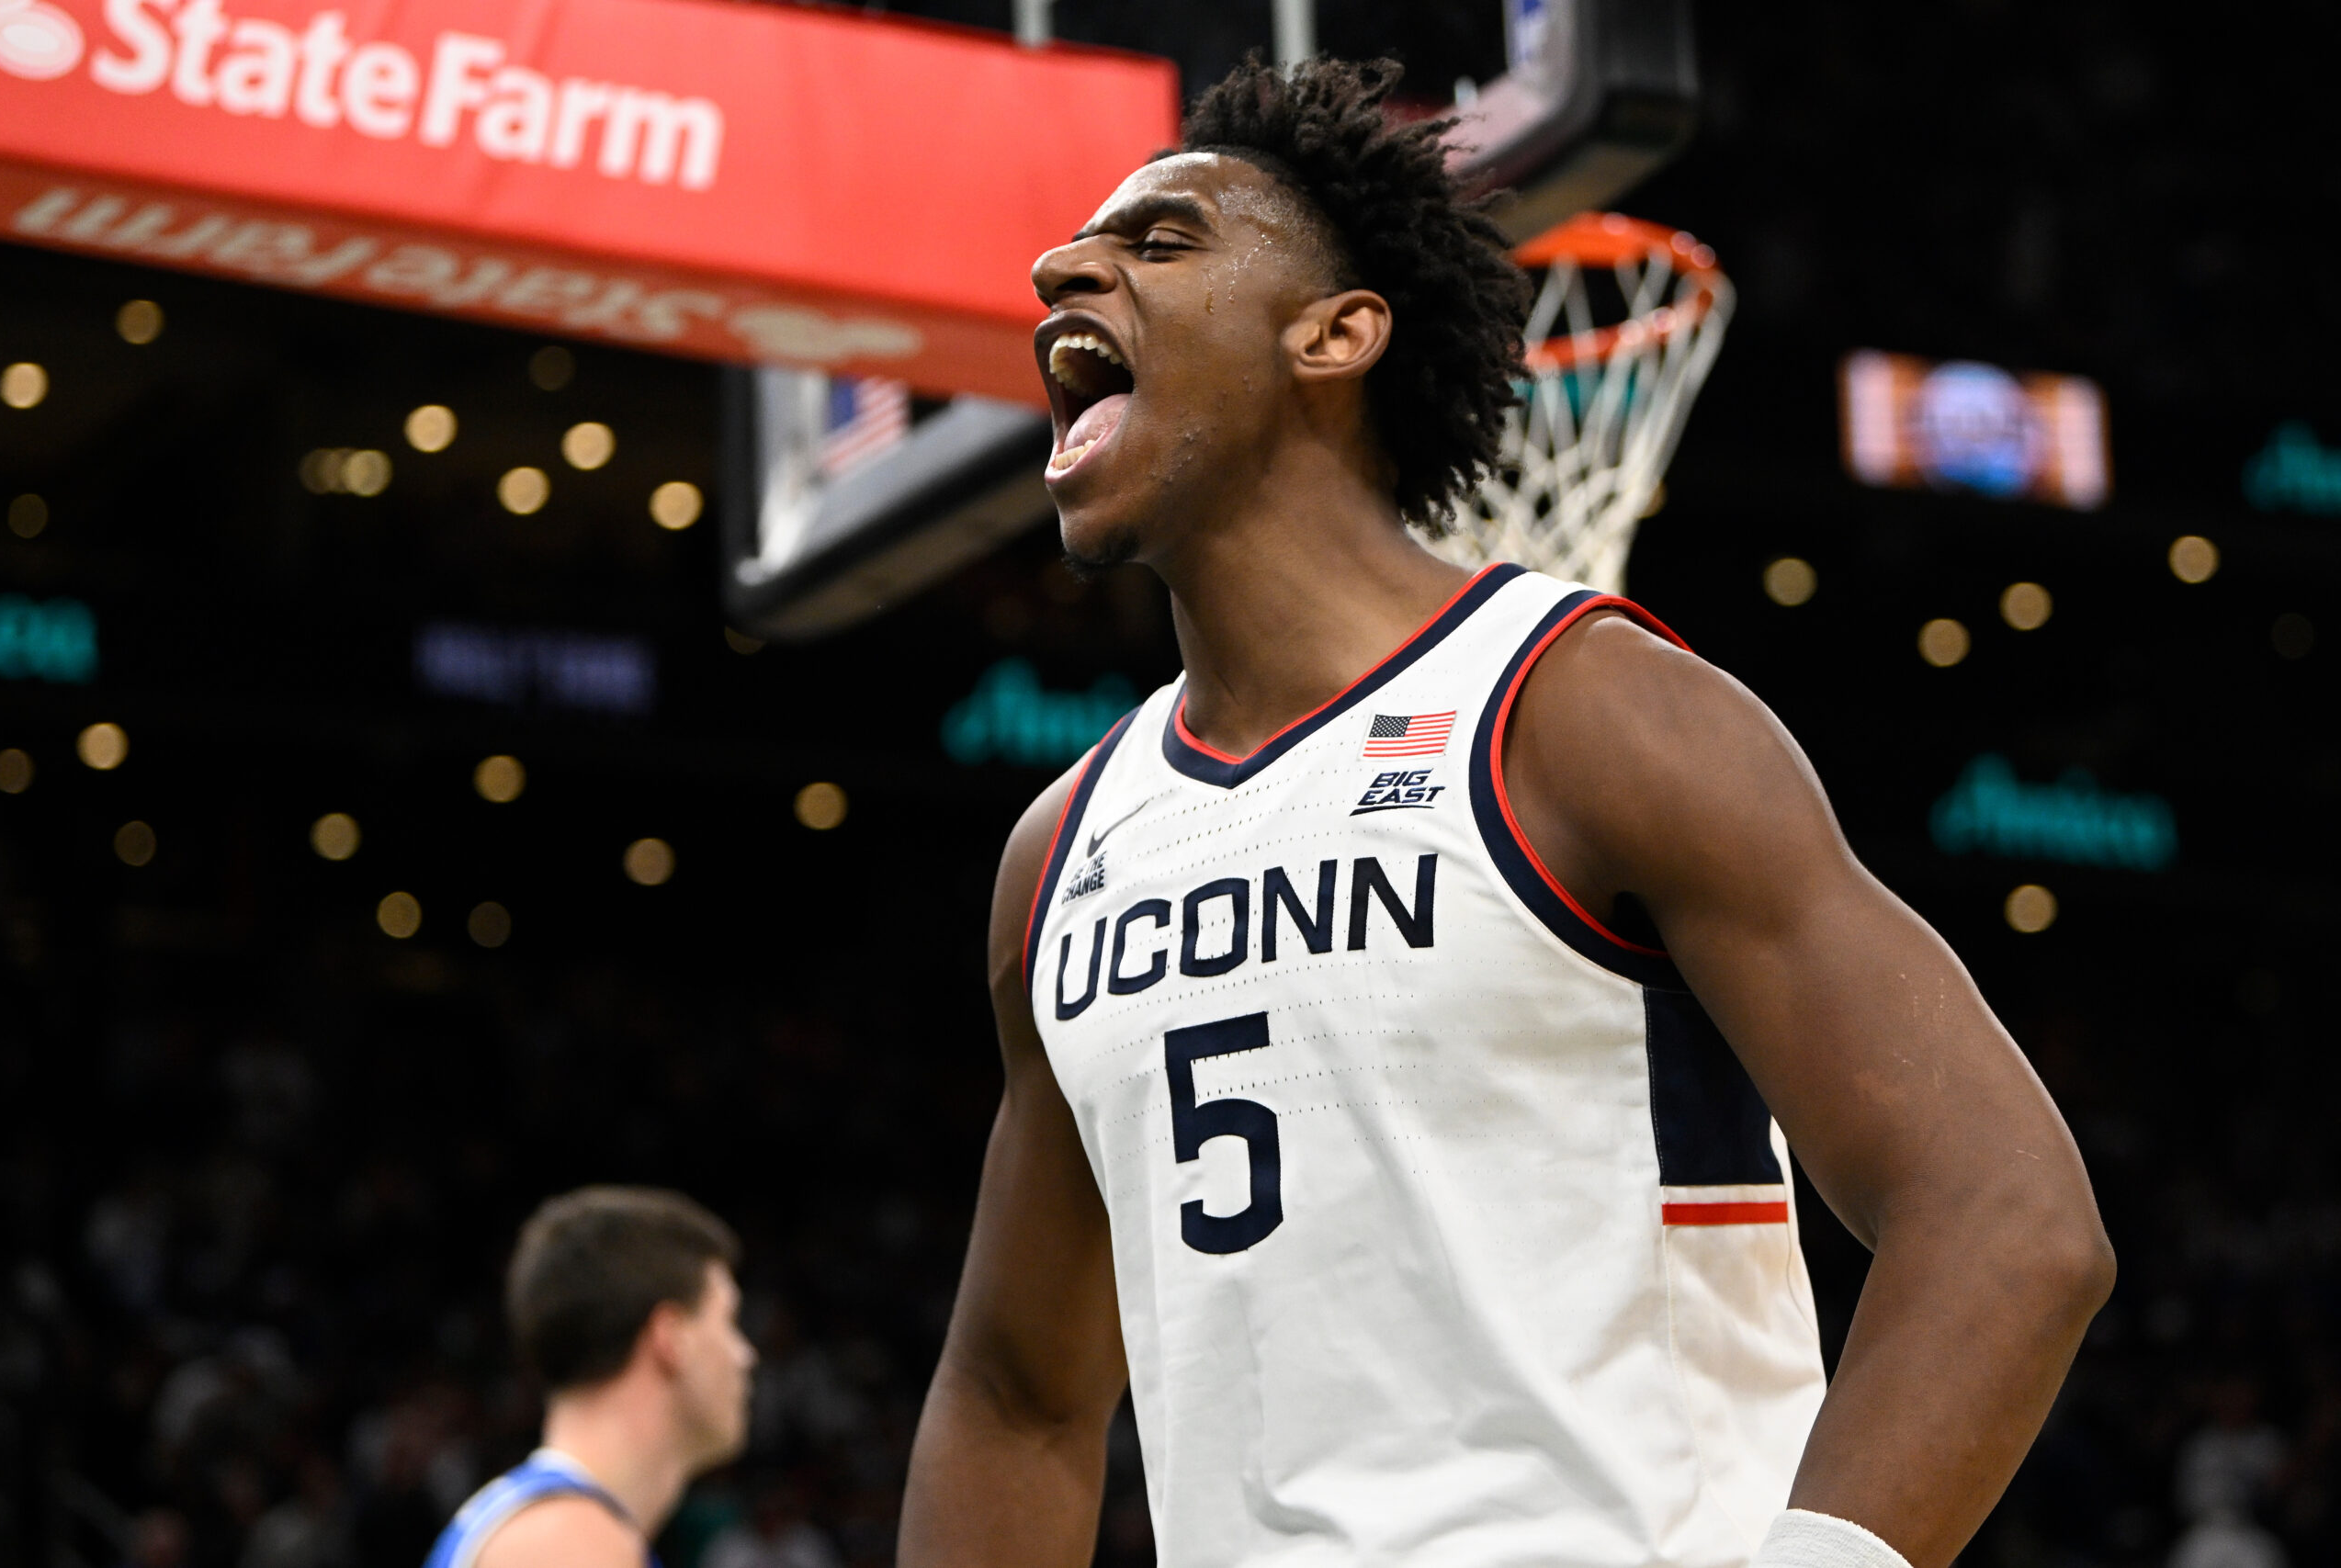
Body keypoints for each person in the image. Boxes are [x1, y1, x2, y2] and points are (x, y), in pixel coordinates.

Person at [898, 56, 2116, 1568]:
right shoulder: (1063, 852)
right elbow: (1015, 1395)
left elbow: (2007, 1210)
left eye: (1160, 242)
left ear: (1335, 333)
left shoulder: (1584, 714)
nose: (1059, 266)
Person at [424, 1187, 756, 1568]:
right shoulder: (565, 1542)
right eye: (729, 1322)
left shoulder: (560, 1528)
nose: (745, 1355)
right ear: (671, 1338)